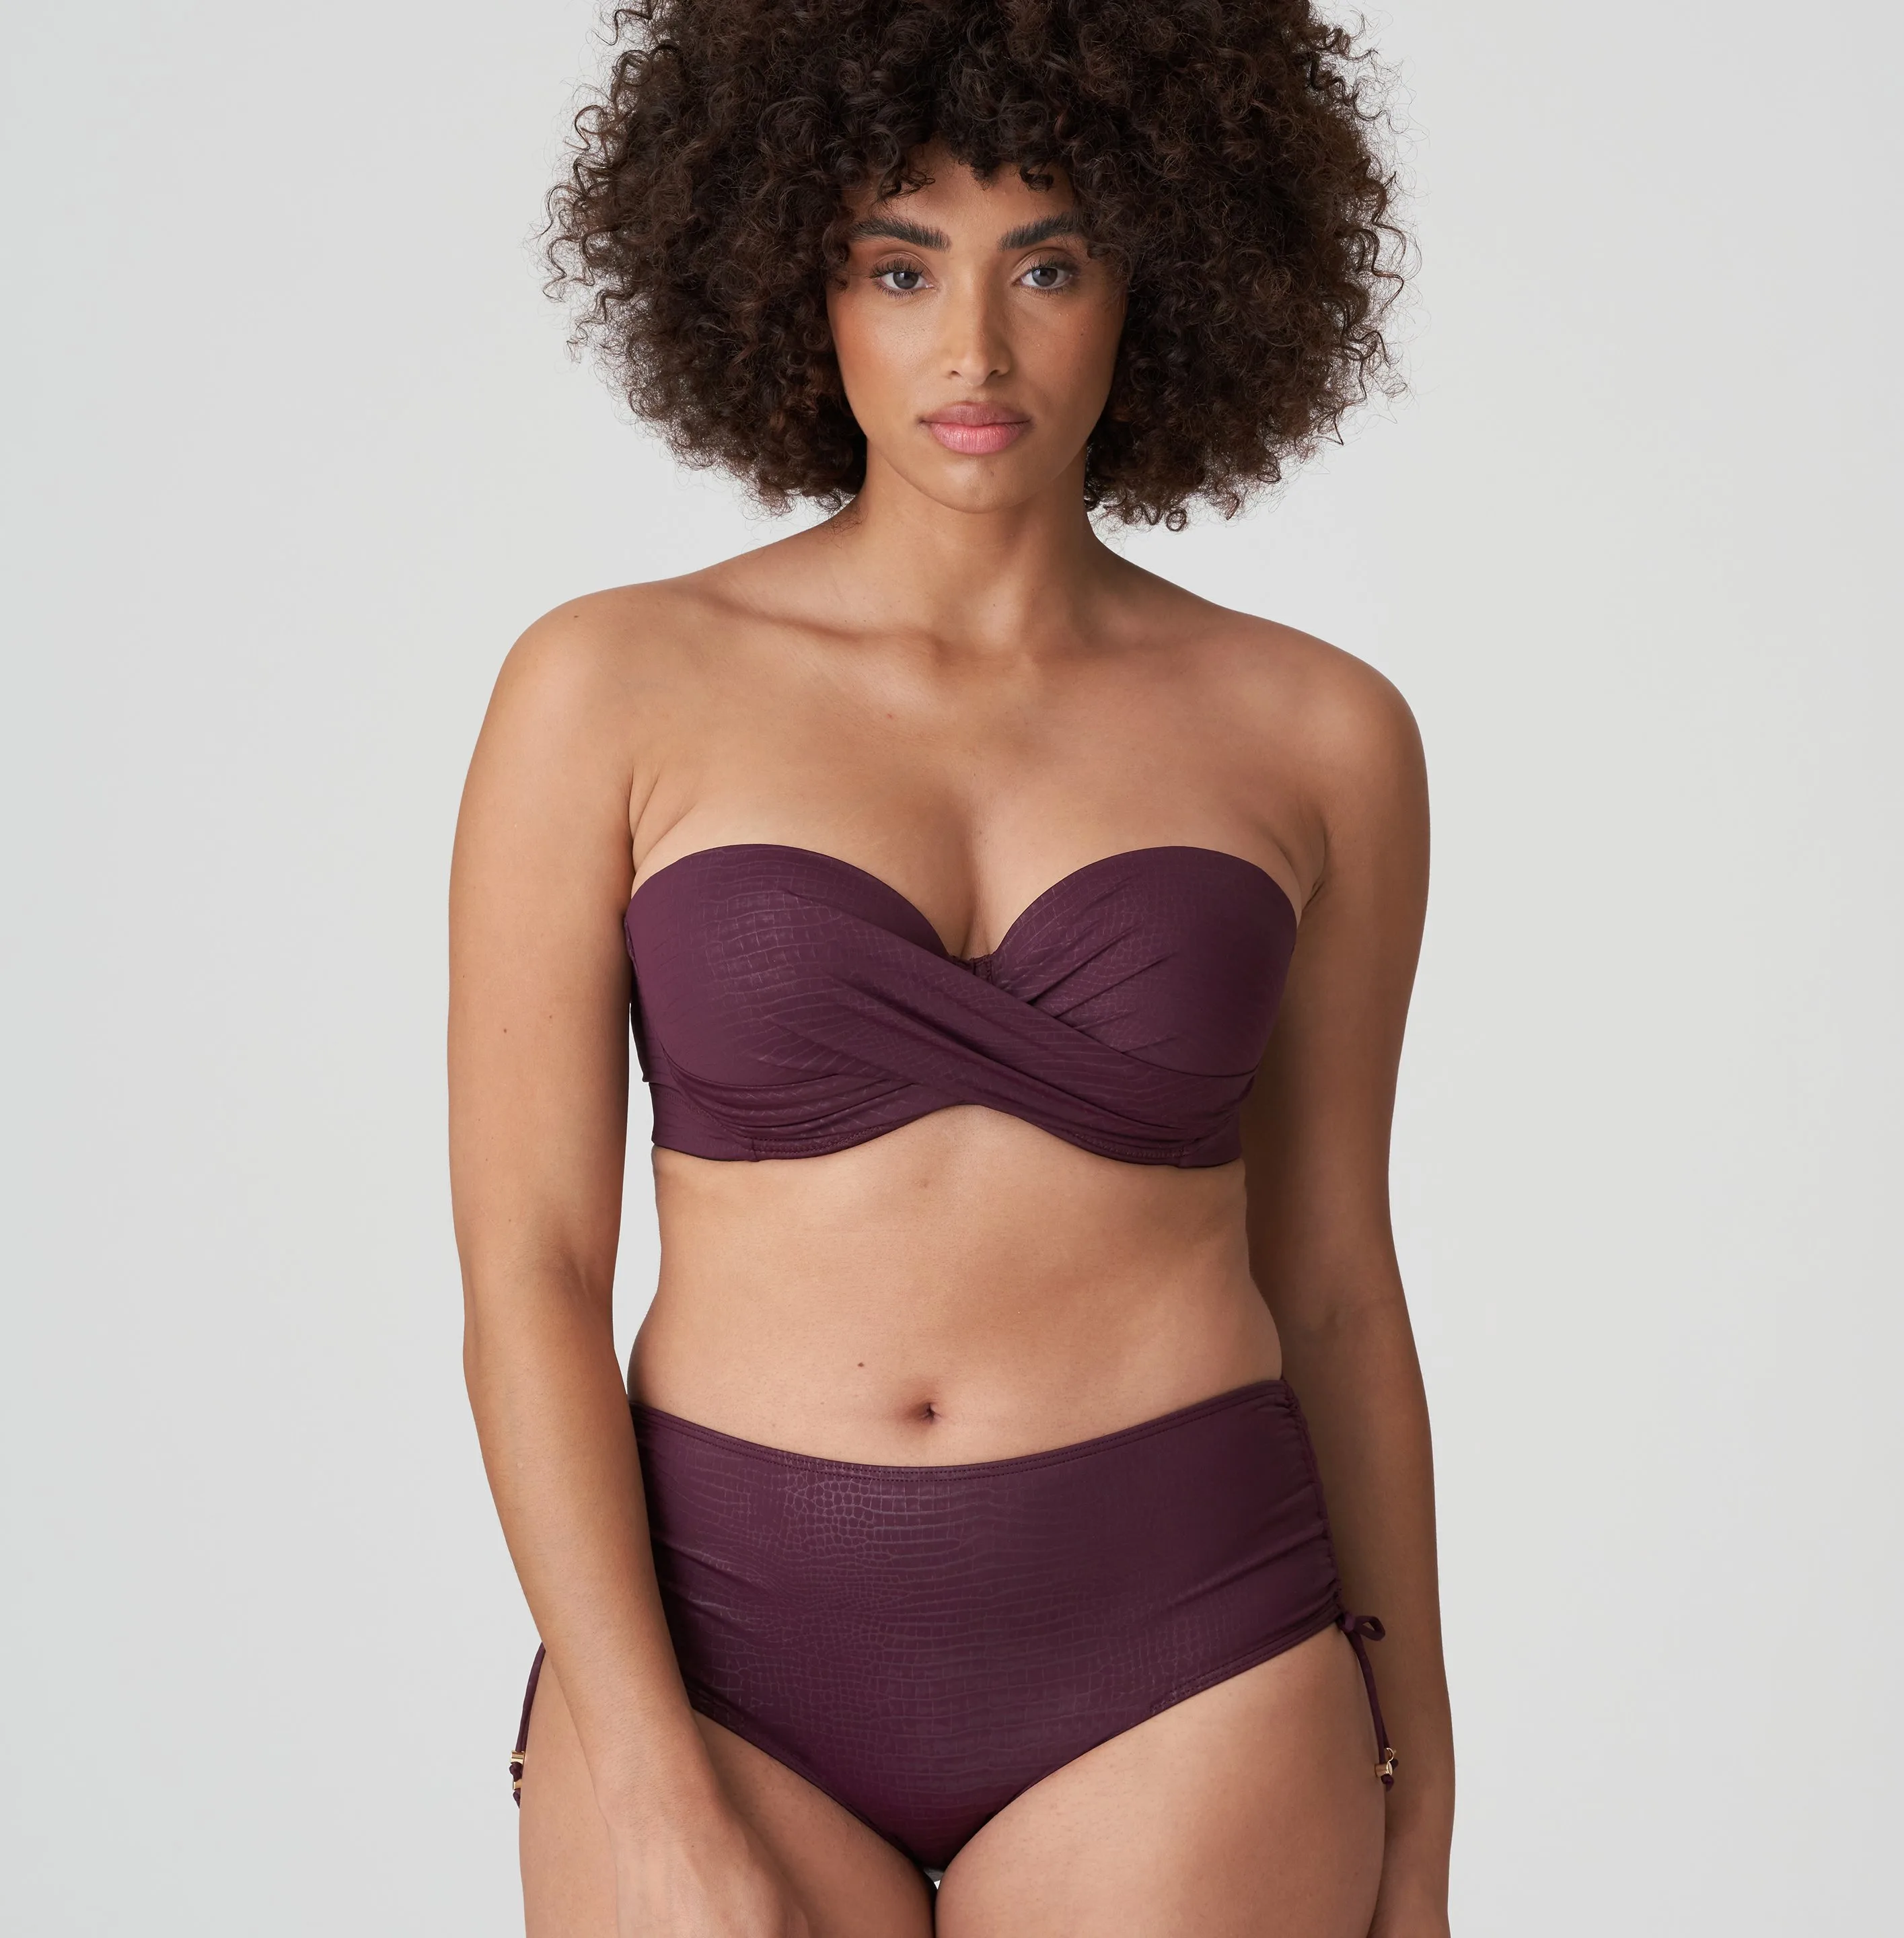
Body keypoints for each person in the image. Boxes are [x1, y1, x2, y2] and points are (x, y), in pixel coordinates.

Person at [448, 3, 1451, 1933]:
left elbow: (1335, 1278)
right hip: (716, 1660)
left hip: (1193, 1656)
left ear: (1166, 278)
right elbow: (529, 1275)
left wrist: (1425, 1785)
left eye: (1047, 266)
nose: (975, 348)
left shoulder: (1321, 733)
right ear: (789, 284)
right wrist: (645, 1783)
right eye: (900, 267)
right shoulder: (607, 687)